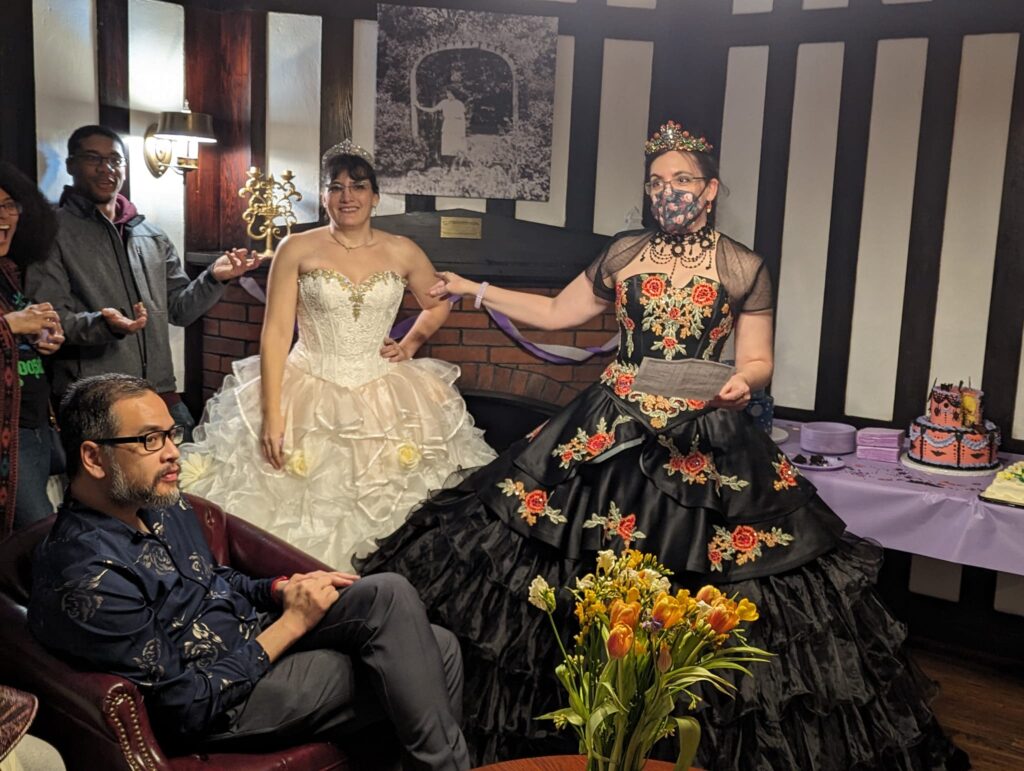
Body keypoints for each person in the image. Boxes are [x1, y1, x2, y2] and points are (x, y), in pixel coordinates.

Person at [354, 121, 968, 769]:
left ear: (709, 190)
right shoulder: (623, 253)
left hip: (705, 425)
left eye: (681, 181)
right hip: (611, 420)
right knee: (569, 568)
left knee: (720, 582)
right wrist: (476, 289)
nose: (667, 192)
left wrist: (740, 383)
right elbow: (560, 314)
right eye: (656, 182)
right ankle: (589, 734)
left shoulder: (742, 265)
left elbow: (756, 359)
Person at [28, 373, 469, 770]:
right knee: (433, 650)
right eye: (149, 440)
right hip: (226, 700)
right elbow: (183, 705)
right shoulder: (87, 572)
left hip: (254, 634)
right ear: (92, 457)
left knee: (391, 597)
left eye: (170, 434)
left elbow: (214, 579)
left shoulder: (161, 502)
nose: (172, 453)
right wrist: (292, 623)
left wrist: (280, 589)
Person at [177, 140, 495, 571]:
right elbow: (274, 335)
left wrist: (411, 344)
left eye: (358, 186)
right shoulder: (296, 248)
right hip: (306, 385)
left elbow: (438, 301)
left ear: (375, 197)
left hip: (383, 393)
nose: (347, 196)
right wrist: (272, 414)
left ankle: (378, 597)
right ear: (324, 196)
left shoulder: (402, 250)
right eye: (336, 186)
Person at [24, 125, 261, 440]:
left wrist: (213, 278)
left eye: (115, 160)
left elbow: (180, 310)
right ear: (71, 165)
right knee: (112, 488)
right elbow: (50, 320)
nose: (106, 168)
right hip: (97, 396)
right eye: (93, 158)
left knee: (190, 471)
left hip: (157, 389)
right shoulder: (51, 233)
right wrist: (105, 325)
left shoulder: (150, 233)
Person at [0, 162, 65, 536]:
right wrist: (10, 325)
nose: (5, 216)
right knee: (37, 541)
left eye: (11, 205)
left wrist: (41, 341)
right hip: (11, 437)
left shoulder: (8, 272)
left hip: (37, 424)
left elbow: (19, 343)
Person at [418, 90, 468, 172]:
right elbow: (433, 109)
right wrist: (420, 107)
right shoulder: (444, 102)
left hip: (456, 127)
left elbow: (462, 119)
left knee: (456, 147)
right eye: (447, 93)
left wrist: (463, 132)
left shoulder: (459, 104)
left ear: (454, 94)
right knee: (447, 148)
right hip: (447, 126)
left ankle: (454, 166)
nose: (448, 95)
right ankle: (446, 166)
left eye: (450, 93)